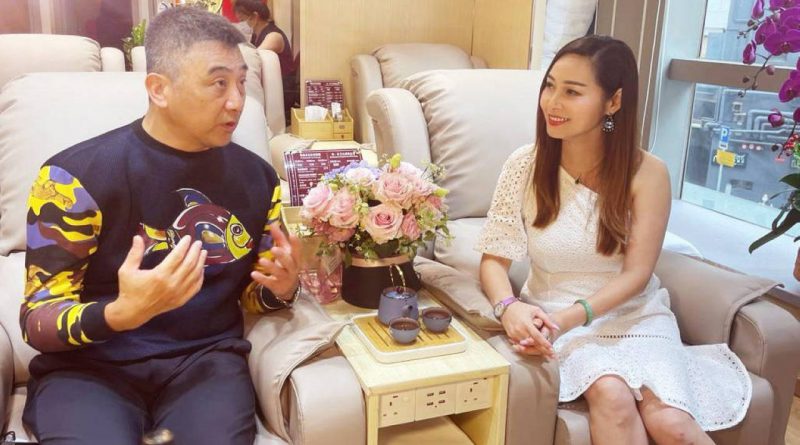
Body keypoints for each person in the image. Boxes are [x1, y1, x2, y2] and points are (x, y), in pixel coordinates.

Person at [20, 7, 300, 445]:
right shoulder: (72, 180)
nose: (236, 101)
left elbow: (253, 293)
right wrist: (121, 313)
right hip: (87, 369)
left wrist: (281, 287)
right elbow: (37, 320)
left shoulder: (258, 179)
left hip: (204, 361)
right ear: (159, 89)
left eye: (241, 82)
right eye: (218, 83)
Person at [476, 35, 751, 445]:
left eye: (572, 92)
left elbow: (637, 274)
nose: (552, 103)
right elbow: (493, 259)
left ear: (614, 101)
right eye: (550, 86)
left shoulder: (648, 173)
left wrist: (571, 318)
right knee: (611, 395)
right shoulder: (524, 165)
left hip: (633, 313)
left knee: (673, 426)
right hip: (553, 312)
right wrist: (508, 307)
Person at [233, 0, 299, 116]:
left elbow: (253, 58)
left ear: (255, 16)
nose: (242, 25)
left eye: (243, 20)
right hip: (268, 88)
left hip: (282, 93)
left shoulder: (274, 36)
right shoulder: (255, 35)